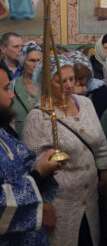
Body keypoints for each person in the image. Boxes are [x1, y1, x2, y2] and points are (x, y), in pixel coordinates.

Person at [23, 54, 107, 246]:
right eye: (61, 81)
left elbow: (101, 144)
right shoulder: (38, 117)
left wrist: (104, 174)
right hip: (60, 205)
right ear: (47, 83)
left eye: (72, 79)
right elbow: (31, 167)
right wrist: (45, 205)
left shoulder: (86, 103)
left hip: (90, 201)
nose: (69, 85)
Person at [0, 62, 62, 246]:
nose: (12, 94)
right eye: (5, 89)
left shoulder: (4, 132)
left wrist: (43, 165)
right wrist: (38, 175)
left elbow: (21, 163)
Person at [8, 41, 42, 137]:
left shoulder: (49, 86)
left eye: (39, 61)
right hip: (20, 139)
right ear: (23, 62)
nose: (36, 65)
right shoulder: (12, 86)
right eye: (32, 61)